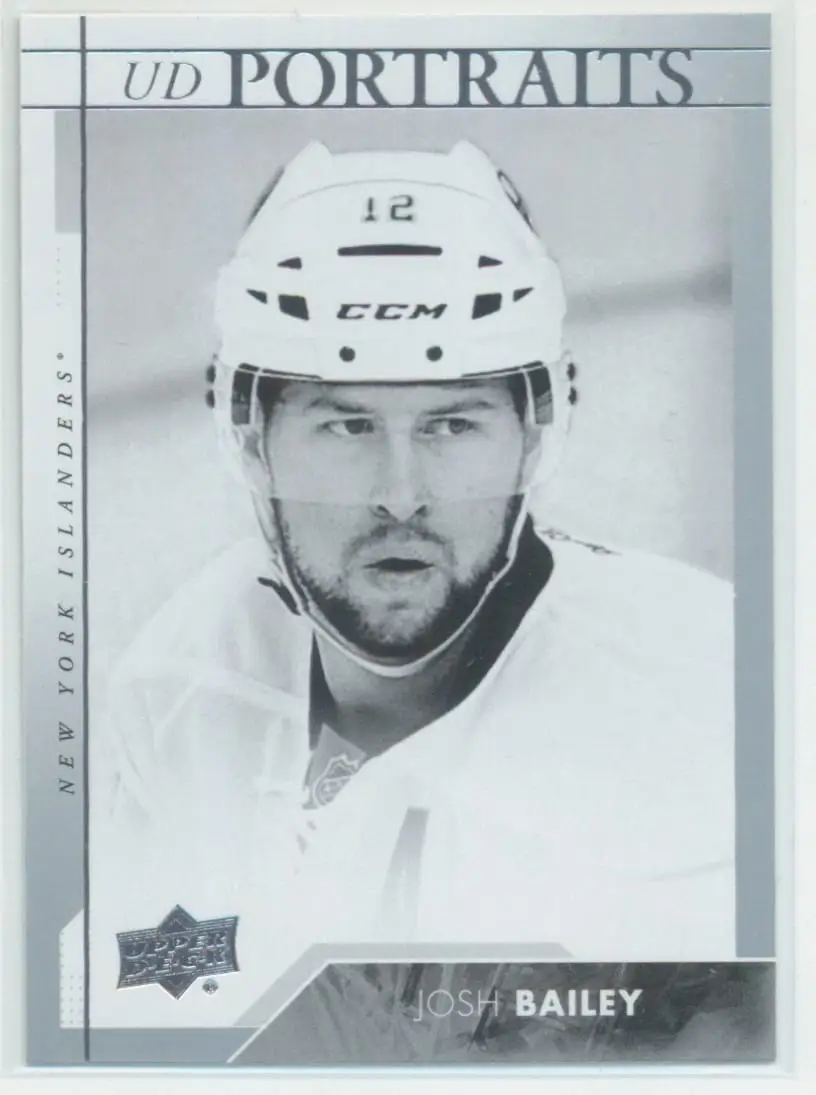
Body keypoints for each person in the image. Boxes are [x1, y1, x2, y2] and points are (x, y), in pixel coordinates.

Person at [87, 141, 734, 1030]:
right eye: (347, 426)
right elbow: (125, 986)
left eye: (452, 424)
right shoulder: (183, 677)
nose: (401, 493)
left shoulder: (709, 691)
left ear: (534, 433)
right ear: (250, 435)